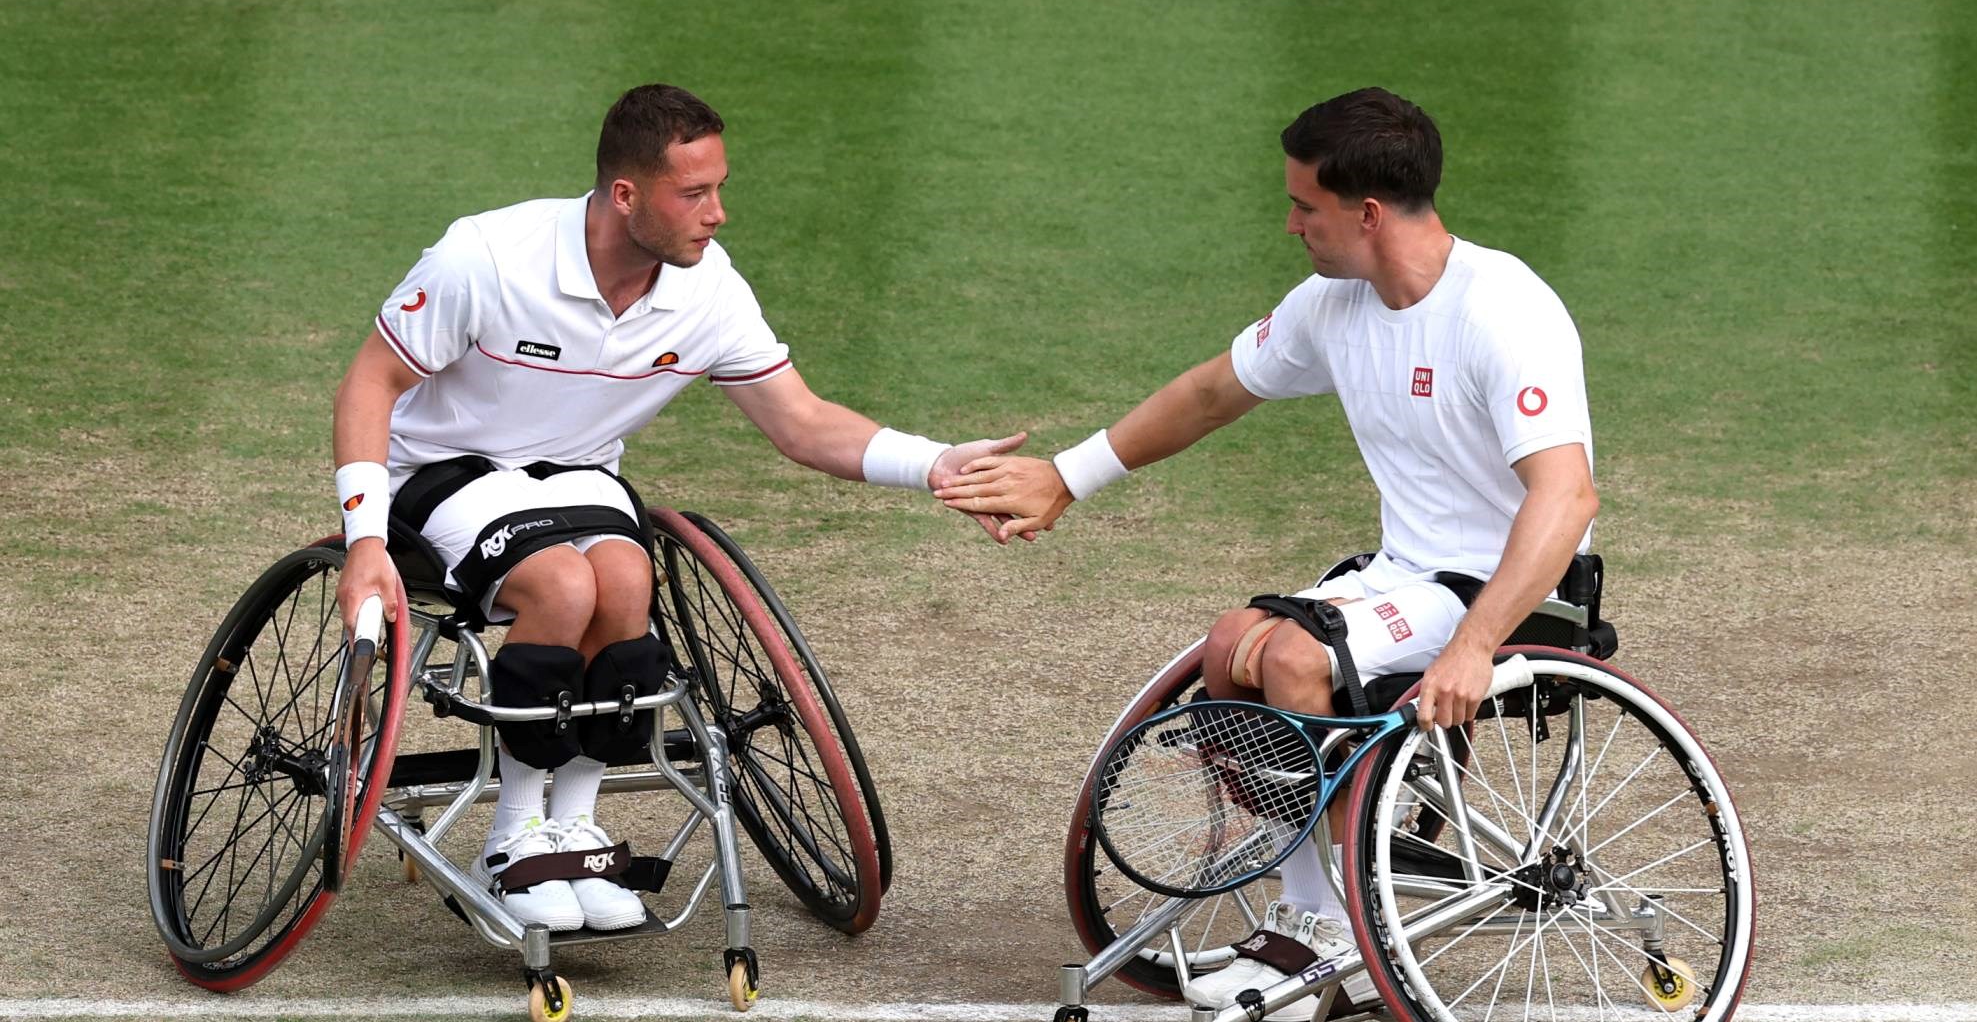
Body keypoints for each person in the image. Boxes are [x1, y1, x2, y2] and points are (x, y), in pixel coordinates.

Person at [934, 87, 1598, 1018]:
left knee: (1292, 655)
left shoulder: (1503, 311)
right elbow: (1211, 392)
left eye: (1304, 206)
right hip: (1406, 574)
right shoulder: (1334, 304)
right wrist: (1065, 478)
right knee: (1229, 647)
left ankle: (1335, 928)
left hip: (1515, 586)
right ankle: (1331, 884)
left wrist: (1476, 644)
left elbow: (1565, 497)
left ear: (1366, 213)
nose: (1290, 226)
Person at [331, 83, 1025, 934]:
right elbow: (372, 382)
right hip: (440, 470)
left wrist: (936, 466)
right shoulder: (487, 256)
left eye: (719, 188)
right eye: (694, 194)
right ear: (627, 196)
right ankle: (512, 839)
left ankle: (571, 829)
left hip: (575, 473)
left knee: (624, 579)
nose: (718, 214)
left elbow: (801, 422)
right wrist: (365, 541)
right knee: (561, 588)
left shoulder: (709, 291)